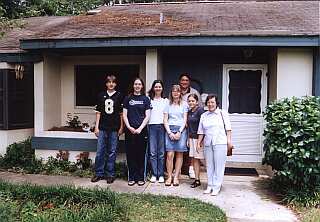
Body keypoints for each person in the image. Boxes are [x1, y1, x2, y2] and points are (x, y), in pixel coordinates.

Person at [197, 94, 232, 195]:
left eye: (212, 102)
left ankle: (217, 186)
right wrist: (199, 143)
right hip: (208, 143)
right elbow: (201, 131)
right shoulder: (204, 115)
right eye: (208, 102)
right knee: (209, 165)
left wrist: (229, 142)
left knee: (219, 166)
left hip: (220, 142)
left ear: (217, 103)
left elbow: (228, 129)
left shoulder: (222, 113)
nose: (210, 104)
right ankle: (210, 185)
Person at [91, 75, 124, 184]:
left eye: (113, 82)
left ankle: (110, 174)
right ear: (106, 84)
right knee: (100, 151)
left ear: (116, 84)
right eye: (109, 82)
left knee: (112, 151)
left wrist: (121, 127)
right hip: (103, 128)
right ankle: (98, 173)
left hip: (114, 128)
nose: (111, 84)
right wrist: (96, 127)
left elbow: (121, 114)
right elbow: (98, 112)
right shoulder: (101, 95)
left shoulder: (119, 96)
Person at [123, 77, 152, 186]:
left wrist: (140, 128)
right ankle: (132, 177)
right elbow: (124, 115)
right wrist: (129, 127)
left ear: (142, 86)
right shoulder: (127, 99)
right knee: (131, 154)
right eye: (135, 84)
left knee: (141, 154)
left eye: (139, 84)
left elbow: (147, 116)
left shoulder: (145, 99)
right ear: (133, 85)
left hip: (142, 131)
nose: (137, 86)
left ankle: (141, 177)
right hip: (129, 131)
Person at [163, 85, 188, 186]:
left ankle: (176, 177)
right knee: (169, 154)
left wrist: (179, 132)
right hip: (169, 129)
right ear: (171, 93)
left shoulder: (184, 104)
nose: (176, 93)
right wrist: (169, 132)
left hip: (181, 130)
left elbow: (185, 119)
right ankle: (169, 176)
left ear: (180, 93)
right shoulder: (167, 104)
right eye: (174, 91)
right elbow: (165, 119)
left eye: (178, 91)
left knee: (179, 154)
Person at [179, 73, 202, 179]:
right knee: (180, 147)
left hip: (192, 123)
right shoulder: (176, 91)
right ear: (180, 81)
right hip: (179, 123)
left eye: (186, 80)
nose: (184, 82)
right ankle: (178, 169)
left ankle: (191, 168)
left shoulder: (194, 92)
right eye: (183, 80)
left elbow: (200, 108)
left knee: (192, 150)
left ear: (189, 82)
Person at [147, 80, 168, 183]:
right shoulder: (149, 100)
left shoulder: (166, 101)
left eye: (159, 87)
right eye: (156, 87)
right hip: (151, 127)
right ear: (153, 88)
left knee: (161, 152)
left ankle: (161, 174)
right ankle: (154, 174)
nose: (158, 88)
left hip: (162, 127)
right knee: (152, 152)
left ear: (162, 88)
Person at [187, 93, 205, 188]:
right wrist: (188, 139)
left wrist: (201, 140)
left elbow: (203, 126)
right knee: (195, 160)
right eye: (189, 101)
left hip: (199, 139)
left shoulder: (200, 111)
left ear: (197, 102)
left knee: (203, 160)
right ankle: (197, 179)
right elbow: (188, 127)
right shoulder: (189, 112)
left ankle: (212, 180)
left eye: (193, 101)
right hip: (191, 138)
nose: (191, 102)